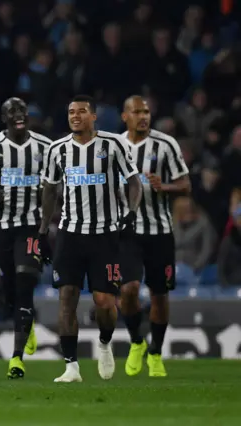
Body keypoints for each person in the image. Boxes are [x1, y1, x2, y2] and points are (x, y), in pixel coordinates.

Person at [39, 95, 142, 383]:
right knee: (67, 298)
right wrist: (43, 229)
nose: (75, 116)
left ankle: (105, 343)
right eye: (71, 111)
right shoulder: (57, 149)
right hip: (70, 235)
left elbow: (134, 182)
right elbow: (49, 190)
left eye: (82, 111)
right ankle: (71, 367)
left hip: (105, 235)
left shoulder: (112, 145)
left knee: (105, 302)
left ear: (93, 116)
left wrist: (131, 213)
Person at [0, 97, 52, 379]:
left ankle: (16, 358)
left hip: (31, 226)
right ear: (4, 117)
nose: (19, 115)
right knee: (9, 288)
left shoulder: (45, 147)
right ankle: (26, 324)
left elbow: (55, 188)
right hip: (1, 228)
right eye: (12, 111)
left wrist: (47, 228)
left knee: (25, 278)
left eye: (22, 110)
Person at [118, 96, 191, 378]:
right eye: (137, 112)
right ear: (125, 116)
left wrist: (166, 187)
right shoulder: (115, 146)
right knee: (128, 290)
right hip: (128, 233)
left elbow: (186, 186)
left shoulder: (166, 144)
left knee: (159, 296)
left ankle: (156, 353)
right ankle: (137, 341)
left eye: (146, 111)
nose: (143, 116)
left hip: (160, 233)